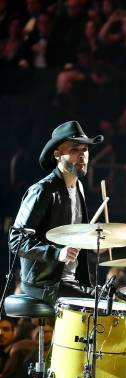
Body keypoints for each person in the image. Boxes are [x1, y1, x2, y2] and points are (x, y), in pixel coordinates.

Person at [9, 120, 103, 305]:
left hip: (70, 278)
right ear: (57, 155)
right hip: (43, 281)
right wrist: (56, 254)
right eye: (75, 150)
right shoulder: (42, 191)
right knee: (102, 304)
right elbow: (16, 240)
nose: (82, 155)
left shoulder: (79, 188)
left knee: (112, 296)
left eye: (85, 149)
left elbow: (74, 237)